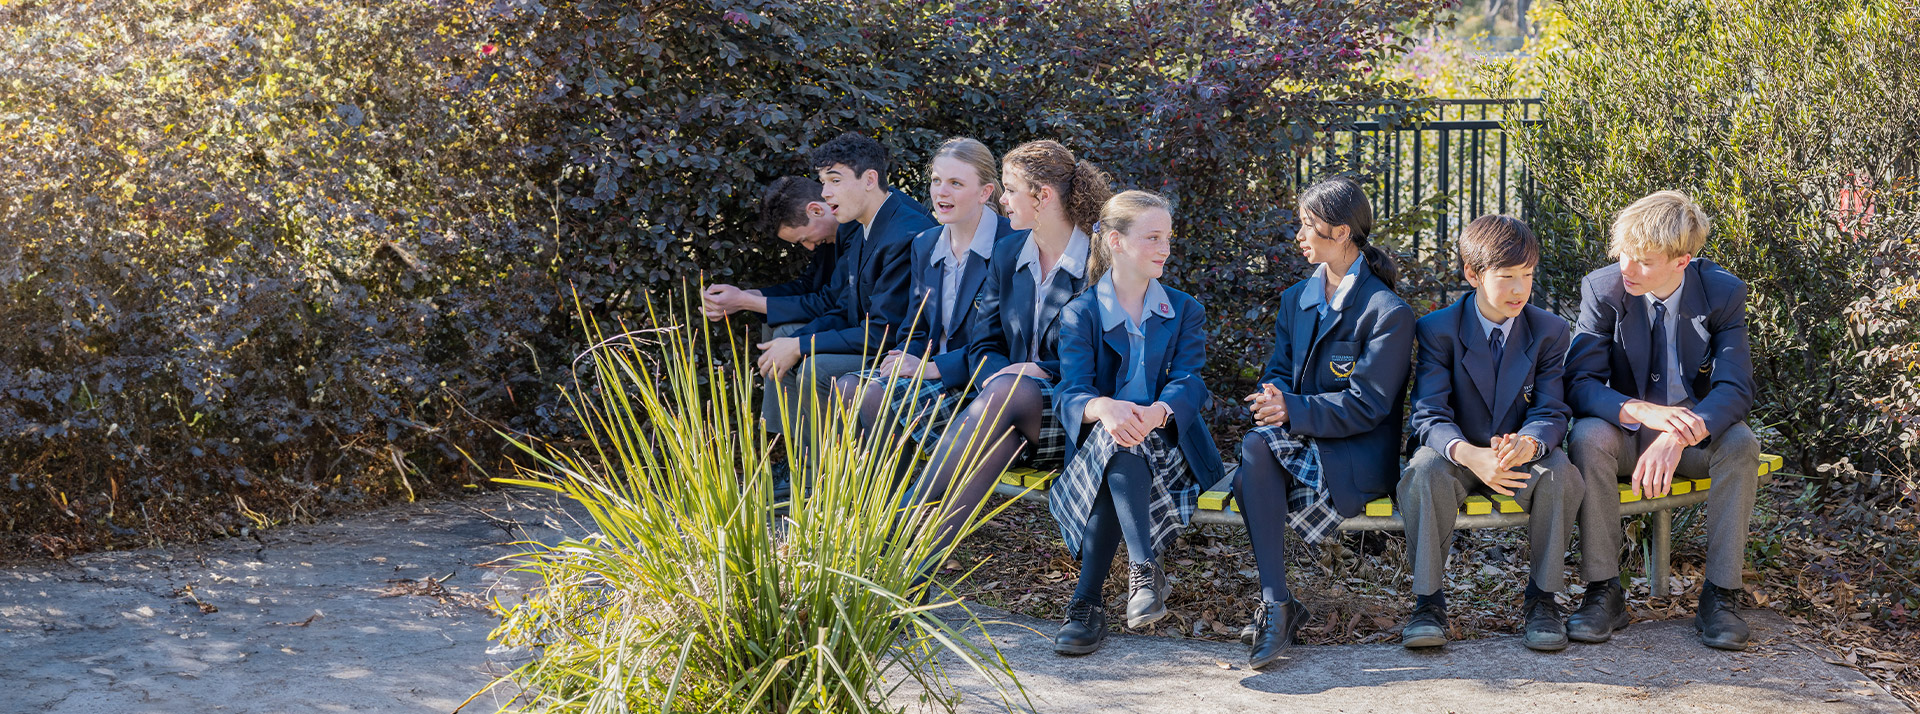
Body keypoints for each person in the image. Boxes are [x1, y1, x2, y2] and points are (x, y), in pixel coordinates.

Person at [1564, 190, 1759, 651]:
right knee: (1587, 436)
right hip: (1625, 434)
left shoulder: (1723, 292)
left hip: (1690, 441)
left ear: (1682, 261)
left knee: (1741, 444)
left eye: (1644, 261)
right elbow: (1579, 382)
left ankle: (1720, 596)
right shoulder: (1604, 289)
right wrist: (1641, 411)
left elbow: (1735, 388)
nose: (1627, 268)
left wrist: (1679, 433)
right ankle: (1603, 591)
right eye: (1623, 254)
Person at [1232, 177, 1414, 668]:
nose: (1298, 235)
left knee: (1253, 458)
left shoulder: (1387, 311)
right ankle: (1278, 603)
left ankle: (1277, 605)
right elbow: (1278, 370)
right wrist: (1272, 396)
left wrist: (1292, 409)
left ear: (1341, 232)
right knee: (1254, 450)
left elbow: (1368, 405)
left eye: (1307, 224)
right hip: (1301, 440)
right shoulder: (1296, 298)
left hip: (1355, 454)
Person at [913, 139, 1112, 567]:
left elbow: (1110, 356)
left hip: (1079, 412)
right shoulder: (1008, 253)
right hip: (1008, 411)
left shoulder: (1100, 261)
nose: (1002, 200)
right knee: (1005, 420)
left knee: (1012, 392)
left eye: (1011, 190)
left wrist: (1038, 371)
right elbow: (985, 343)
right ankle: (921, 557)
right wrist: (1000, 377)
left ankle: (897, 519)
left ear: (1044, 196)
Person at [1047, 190, 1224, 656]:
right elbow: (1070, 390)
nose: (1165, 248)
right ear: (1115, 241)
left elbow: (1190, 382)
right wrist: (1103, 407)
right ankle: (1143, 572)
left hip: (1173, 447)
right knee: (1119, 439)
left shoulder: (1184, 309)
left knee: (1126, 440)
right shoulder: (1081, 313)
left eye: (1167, 237)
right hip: (1106, 448)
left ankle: (1086, 604)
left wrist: (1158, 411)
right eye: (1152, 237)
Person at [1399, 214, 1582, 653]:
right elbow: (1428, 413)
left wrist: (1529, 443)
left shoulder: (1550, 331)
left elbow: (1551, 409)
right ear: (1473, 274)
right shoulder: (1438, 329)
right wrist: (1469, 454)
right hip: (1457, 456)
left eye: (1528, 275)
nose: (1520, 289)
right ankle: (1428, 604)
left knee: (1560, 473)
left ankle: (1542, 601)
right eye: (1507, 276)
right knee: (1423, 471)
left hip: (1518, 457)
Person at [755, 132, 933, 474]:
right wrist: (793, 342)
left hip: (907, 356)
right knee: (786, 345)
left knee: (816, 368)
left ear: (870, 180)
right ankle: (803, 465)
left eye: (834, 180)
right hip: (876, 342)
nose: (824, 192)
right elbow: (845, 308)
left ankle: (826, 478)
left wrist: (801, 346)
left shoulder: (904, 233)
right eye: (823, 182)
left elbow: (882, 335)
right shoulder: (863, 224)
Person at [834, 138, 1022, 459]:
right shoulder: (925, 243)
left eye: (955, 183)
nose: (941, 192)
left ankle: (899, 492)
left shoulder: (1014, 243)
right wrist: (905, 358)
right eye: (936, 180)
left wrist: (934, 368)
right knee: (848, 387)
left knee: (875, 394)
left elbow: (1008, 342)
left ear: (985, 192)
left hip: (977, 382)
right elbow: (915, 327)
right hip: (928, 373)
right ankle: (863, 490)